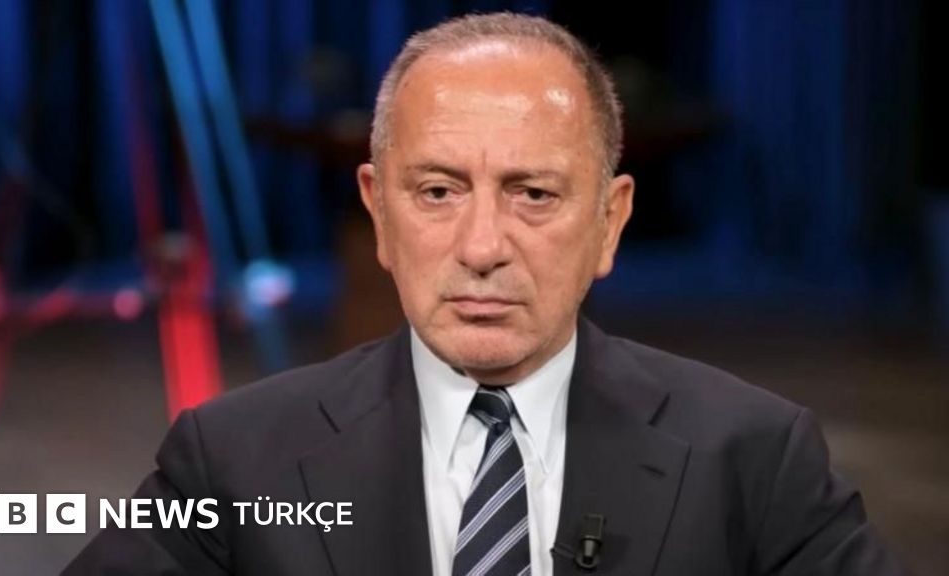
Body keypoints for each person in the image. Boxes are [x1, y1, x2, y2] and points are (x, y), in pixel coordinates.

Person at [65, 12, 904, 576]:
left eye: (533, 194)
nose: (481, 248)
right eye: (437, 192)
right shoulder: (231, 464)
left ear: (609, 222)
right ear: (378, 213)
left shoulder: (755, 459)